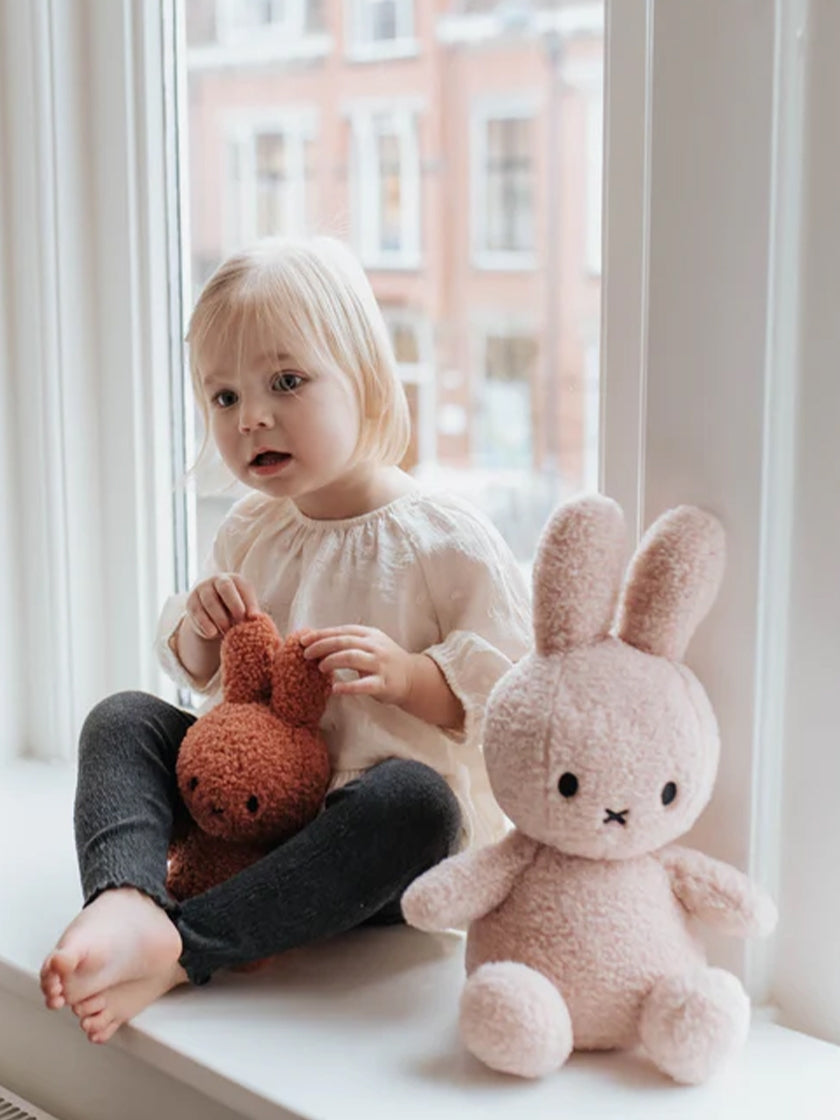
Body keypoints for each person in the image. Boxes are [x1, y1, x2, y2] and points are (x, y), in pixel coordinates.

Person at [39, 235, 532, 1044]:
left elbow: (504, 703)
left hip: (351, 850)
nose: (252, 417)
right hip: (251, 816)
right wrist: (203, 628)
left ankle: (184, 946)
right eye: (223, 398)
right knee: (122, 717)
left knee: (418, 805)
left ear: (367, 377)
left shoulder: (442, 539)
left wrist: (409, 676)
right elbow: (210, 684)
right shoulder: (252, 529)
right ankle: (126, 895)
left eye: (287, 382)